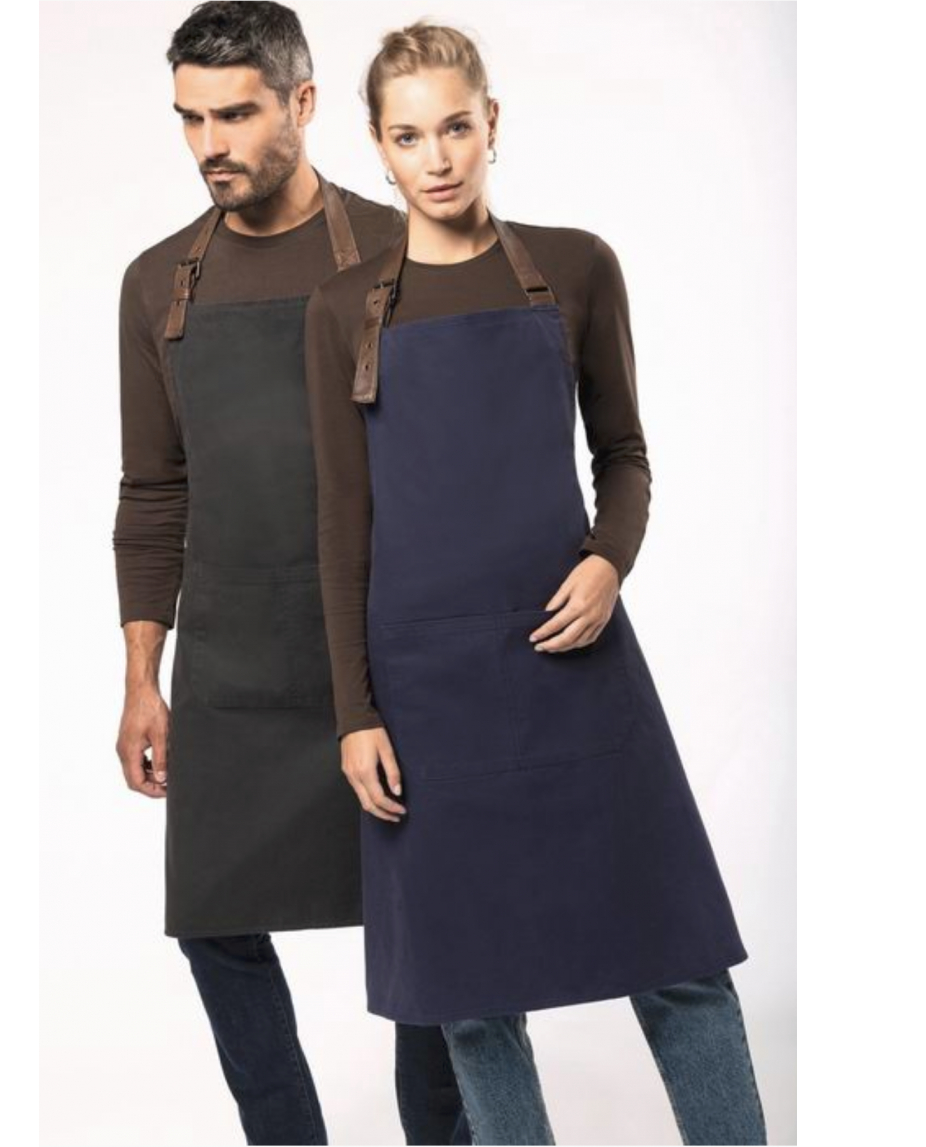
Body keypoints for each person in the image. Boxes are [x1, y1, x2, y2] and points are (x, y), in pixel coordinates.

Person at [304, 22, 768, 1146]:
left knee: (681, 959)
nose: (437, 158)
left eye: (455, 128)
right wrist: (355, 711)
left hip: (573, 659)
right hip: (425, 685)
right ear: (378, 145)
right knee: (470, 997)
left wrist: (608, 559)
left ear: (492, 124)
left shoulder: (575, 267)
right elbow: (342, 524)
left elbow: (625, 455)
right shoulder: (342, 311)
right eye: (409, 137)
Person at [111, 5, 470, 1143]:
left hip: (385, 651)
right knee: (211, 921)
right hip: (233, 663)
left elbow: (457, 467)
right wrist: (142, 677)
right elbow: (152, 491)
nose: (209, 144)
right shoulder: (157, 283)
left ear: (302, 104)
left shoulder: (400, 249)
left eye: (235, 114)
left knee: (426, 919)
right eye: (190, 119)